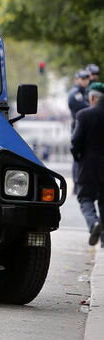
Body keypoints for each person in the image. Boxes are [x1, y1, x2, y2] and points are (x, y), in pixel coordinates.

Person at [71, 81, 104, 246]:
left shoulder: (84, 115)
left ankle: (94, 223)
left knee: (85, 198)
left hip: (89, 166)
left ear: (92, 97)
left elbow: (76, 141)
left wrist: (77, 157)